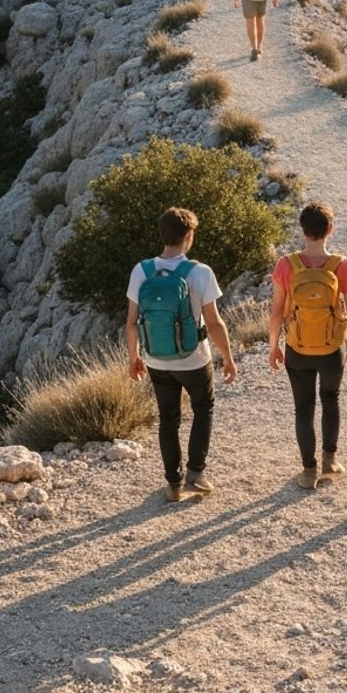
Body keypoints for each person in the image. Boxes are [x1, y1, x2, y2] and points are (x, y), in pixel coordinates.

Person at [126, 207, 237, 502]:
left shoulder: (141, 271)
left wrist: (134, 357)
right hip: (194, 360)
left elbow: (131, 321)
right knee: (203, 409)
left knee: (168, 419)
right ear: (189, 236)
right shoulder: (200, 272)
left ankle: (173, 485)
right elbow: (214, 322)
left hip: (156, 360)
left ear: (162, 235)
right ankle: (196, 475)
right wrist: (227, 357)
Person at [268, 202, 347, 489]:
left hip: (297, 348)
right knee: (330, 399)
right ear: (330, 229)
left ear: (303, 230)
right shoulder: (343, 266)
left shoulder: (286, 265)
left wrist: (274, 346)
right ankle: (329, 461)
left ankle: (308, 471)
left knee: (303, 409)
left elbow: (276, 312)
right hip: (331, 348)